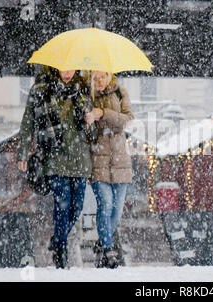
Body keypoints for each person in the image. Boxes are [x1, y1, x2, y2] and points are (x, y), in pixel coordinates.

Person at [17, 66, 92, 269]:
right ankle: (61, 251)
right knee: (63, 203)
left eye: (71, 68)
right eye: (62, 68)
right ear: (54, 66)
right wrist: (22, 152)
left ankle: (58, 239)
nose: (67, 73)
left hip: (79, 156)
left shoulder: (84, 88)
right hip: (54, 155)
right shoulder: (40, 89)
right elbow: (27, 123)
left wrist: (89, 118)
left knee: (76, 207)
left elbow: (91, 130)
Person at [85, 71, 134, 269]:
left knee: (117, 210)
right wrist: (89, 120)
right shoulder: (87, 97)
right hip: (99, 159)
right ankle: (107, 248)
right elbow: (86, 131)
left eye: (103, 76)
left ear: (109, 75)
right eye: (95, 78)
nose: (100, 81)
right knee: (105, 204)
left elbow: (127, 119)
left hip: (120, 159)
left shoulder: (121, 93)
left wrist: (103, 113)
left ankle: (101, 242)